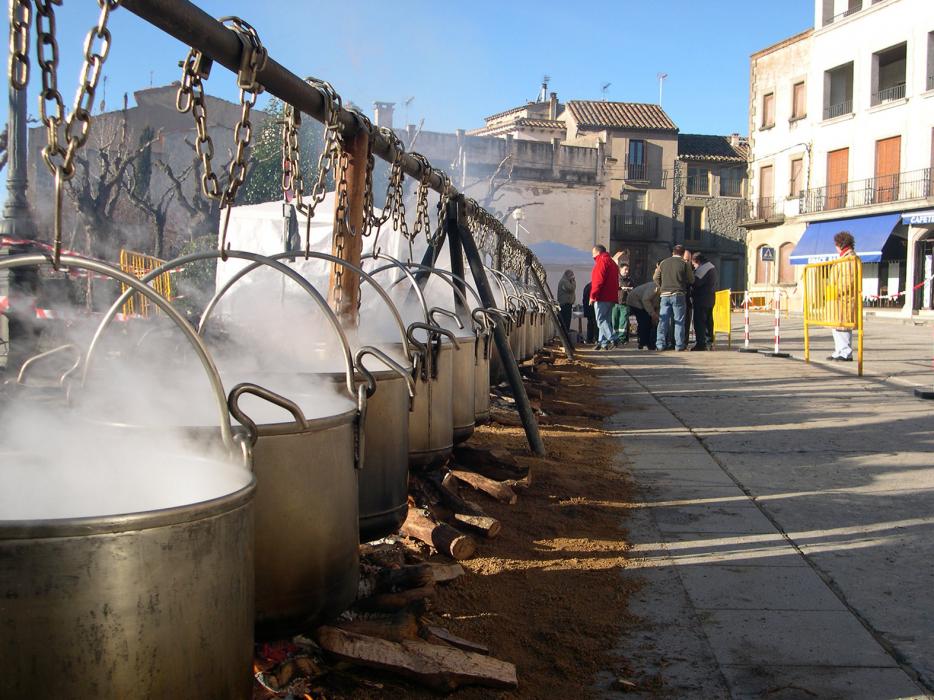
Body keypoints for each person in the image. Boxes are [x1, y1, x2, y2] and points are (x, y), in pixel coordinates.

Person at [654, 244, 694, 351]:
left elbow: (655, 277)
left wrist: (661, 287)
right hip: (679, 295)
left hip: (665, 295)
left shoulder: (663, 263)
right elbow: (691, 280)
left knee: (663, 321)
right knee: (679, 321)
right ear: (682, 254)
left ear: (673, 253)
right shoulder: (684, 264)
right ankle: (679, 345)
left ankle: (660, 344)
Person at [828, 230, 857, 362]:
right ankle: (839, 350)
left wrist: (836, 291)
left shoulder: (849, 259)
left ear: (840, 244)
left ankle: (845, 352)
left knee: (843, 326)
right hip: (838, 298)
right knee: (837, 326)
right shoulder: (844, 258)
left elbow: (847, 280)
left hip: (844, 298)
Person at [589, 244, 620, 350]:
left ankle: (613, 337)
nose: (592, 256)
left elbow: (598, 280)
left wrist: (593, 295)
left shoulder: (601, 261)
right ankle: (602, 342)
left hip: (602, 296)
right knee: (606, 319)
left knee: (601, 320)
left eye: (593, 253)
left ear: (598, 252)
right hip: (611, 296)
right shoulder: (612, 262)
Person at [690, 252, 718, 351]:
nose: (694, 266)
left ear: (697, 261)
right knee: (709, 322)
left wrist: (691, 275)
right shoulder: (711, 267)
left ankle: (701, 344)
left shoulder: (703, 269)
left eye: (693, 264)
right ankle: (709, 342)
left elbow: (696, 282)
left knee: (699, 322)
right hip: (710, 298)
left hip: (701, 299)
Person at [627, 278, 660, 350]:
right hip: (635, 300)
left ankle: (645, 342)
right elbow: (645, 300)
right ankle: (644, 342)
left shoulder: (660, 290)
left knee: (647, 321)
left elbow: (656, 305)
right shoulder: (655, 287)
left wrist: (655, 316)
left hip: (641, 302)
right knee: (644, 321)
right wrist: (652, 313)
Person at [612, 258, 634, 344]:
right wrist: (621, 288)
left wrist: (630, 290)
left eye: (628, 270)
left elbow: (633, 291)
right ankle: (614, 337)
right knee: (615, 321)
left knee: (623, 321)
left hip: (625, 304)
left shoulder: (630, 280)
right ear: (620, 270)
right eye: (625, 269)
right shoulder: (615, 279)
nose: (627, 271)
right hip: (615, 303)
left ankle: (622, 338)